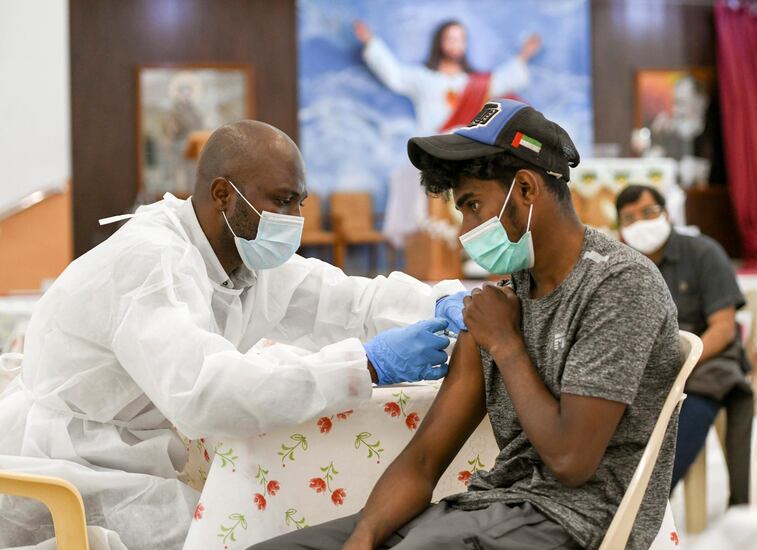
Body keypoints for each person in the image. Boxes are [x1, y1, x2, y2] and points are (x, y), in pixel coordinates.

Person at [0, 121, 470, 550]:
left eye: (300, 203)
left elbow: (347, 300)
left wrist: (444, 302)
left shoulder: (246, 259)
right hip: (73, 461)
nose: (295, 219)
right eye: (282, 201)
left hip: (134, 450)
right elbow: (207, 392)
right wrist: (364, 365)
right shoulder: (152, 261)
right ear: (223, 194)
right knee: (230, 534)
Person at [249, 99, 681, 550]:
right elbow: (424, 459)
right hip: (491, 507)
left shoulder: (618, 284)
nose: (466, 230)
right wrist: (362, 537)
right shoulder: (506, 297)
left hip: (576, 522)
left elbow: (571, 461)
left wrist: (506, 344)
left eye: (474, 206)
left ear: (527, 189)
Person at [616, 184, 752, 505]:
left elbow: (723, 327)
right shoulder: (623, 266)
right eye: (630, 218)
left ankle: (646, 501)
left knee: (690, 404)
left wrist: (682, 363)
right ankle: (617, 494)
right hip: (649, 371)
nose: (642, 223)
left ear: (666, 213)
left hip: (707, 364)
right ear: (620, 227)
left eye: (649, 212)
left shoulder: (703, 253)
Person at [353, 19, 541, 134]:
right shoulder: (423, 78)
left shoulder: (474, 82)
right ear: (440, 42)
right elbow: (394, 74)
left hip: (467, 151)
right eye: (450, 38)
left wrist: (524, 54)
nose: (455, 44)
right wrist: (371, 43)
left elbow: (503, 79)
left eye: (460, 39)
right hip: (433, 149)